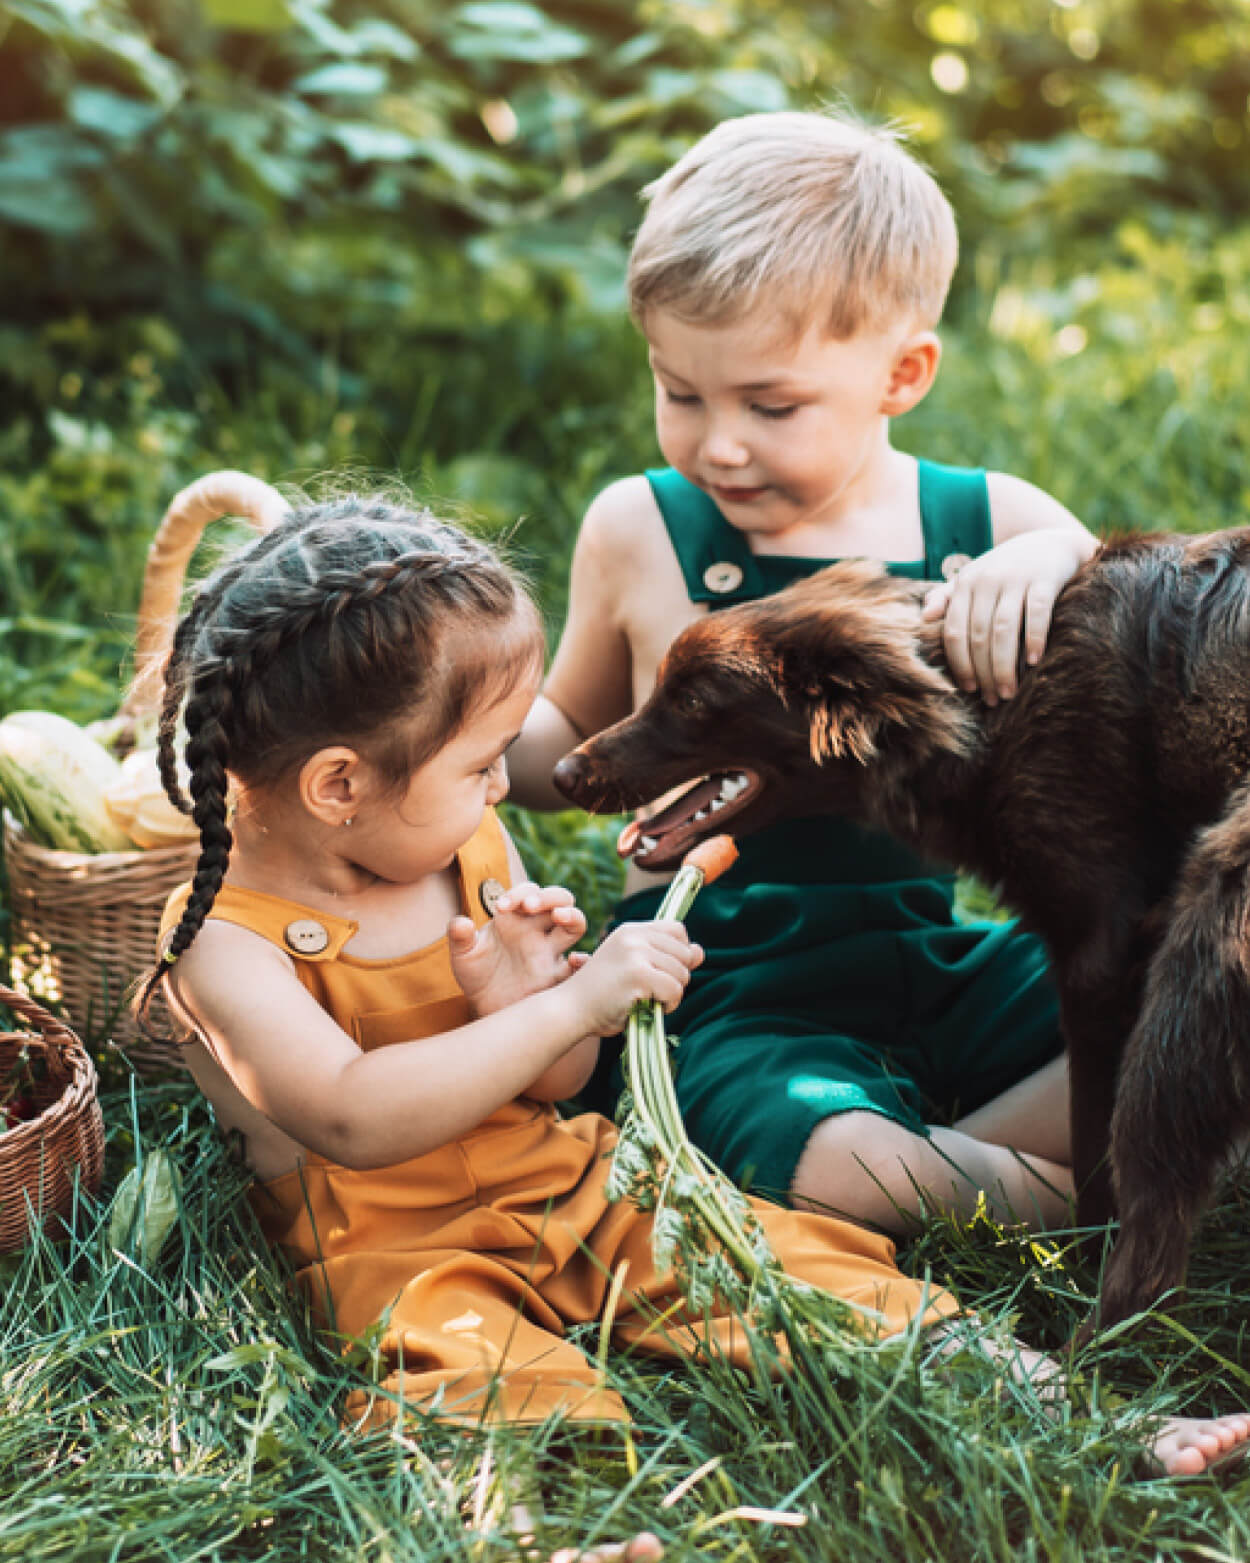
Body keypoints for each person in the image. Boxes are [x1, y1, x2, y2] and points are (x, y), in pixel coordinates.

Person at [141, 491, 1250, 1485]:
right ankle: (529, 1522)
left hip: (574, 1188)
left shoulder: (458, 856)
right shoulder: (220, 944)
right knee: (471, 1374)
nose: (502, 790)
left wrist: (529, 1002)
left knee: (807, 1272)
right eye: (482, 765)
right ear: (340, 784)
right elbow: (351, 1115)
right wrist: (567, 1008)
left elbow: (561, 1084)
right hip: (403, 1251)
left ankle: (1078, 1417)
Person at [506, 107, 1100, 1242]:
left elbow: (1132, 646)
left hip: (940, 958)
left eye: (768, 406)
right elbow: (563, 736)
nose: (716, 444)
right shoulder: (640, 528)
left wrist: (1058, 559)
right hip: (730, 988)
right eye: (679, 393)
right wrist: (474, 740)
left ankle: (970, 1153)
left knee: (1174, 994)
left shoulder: (987, 525)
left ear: (902, 373)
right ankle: (1055, 1185)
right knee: (822, 1150)